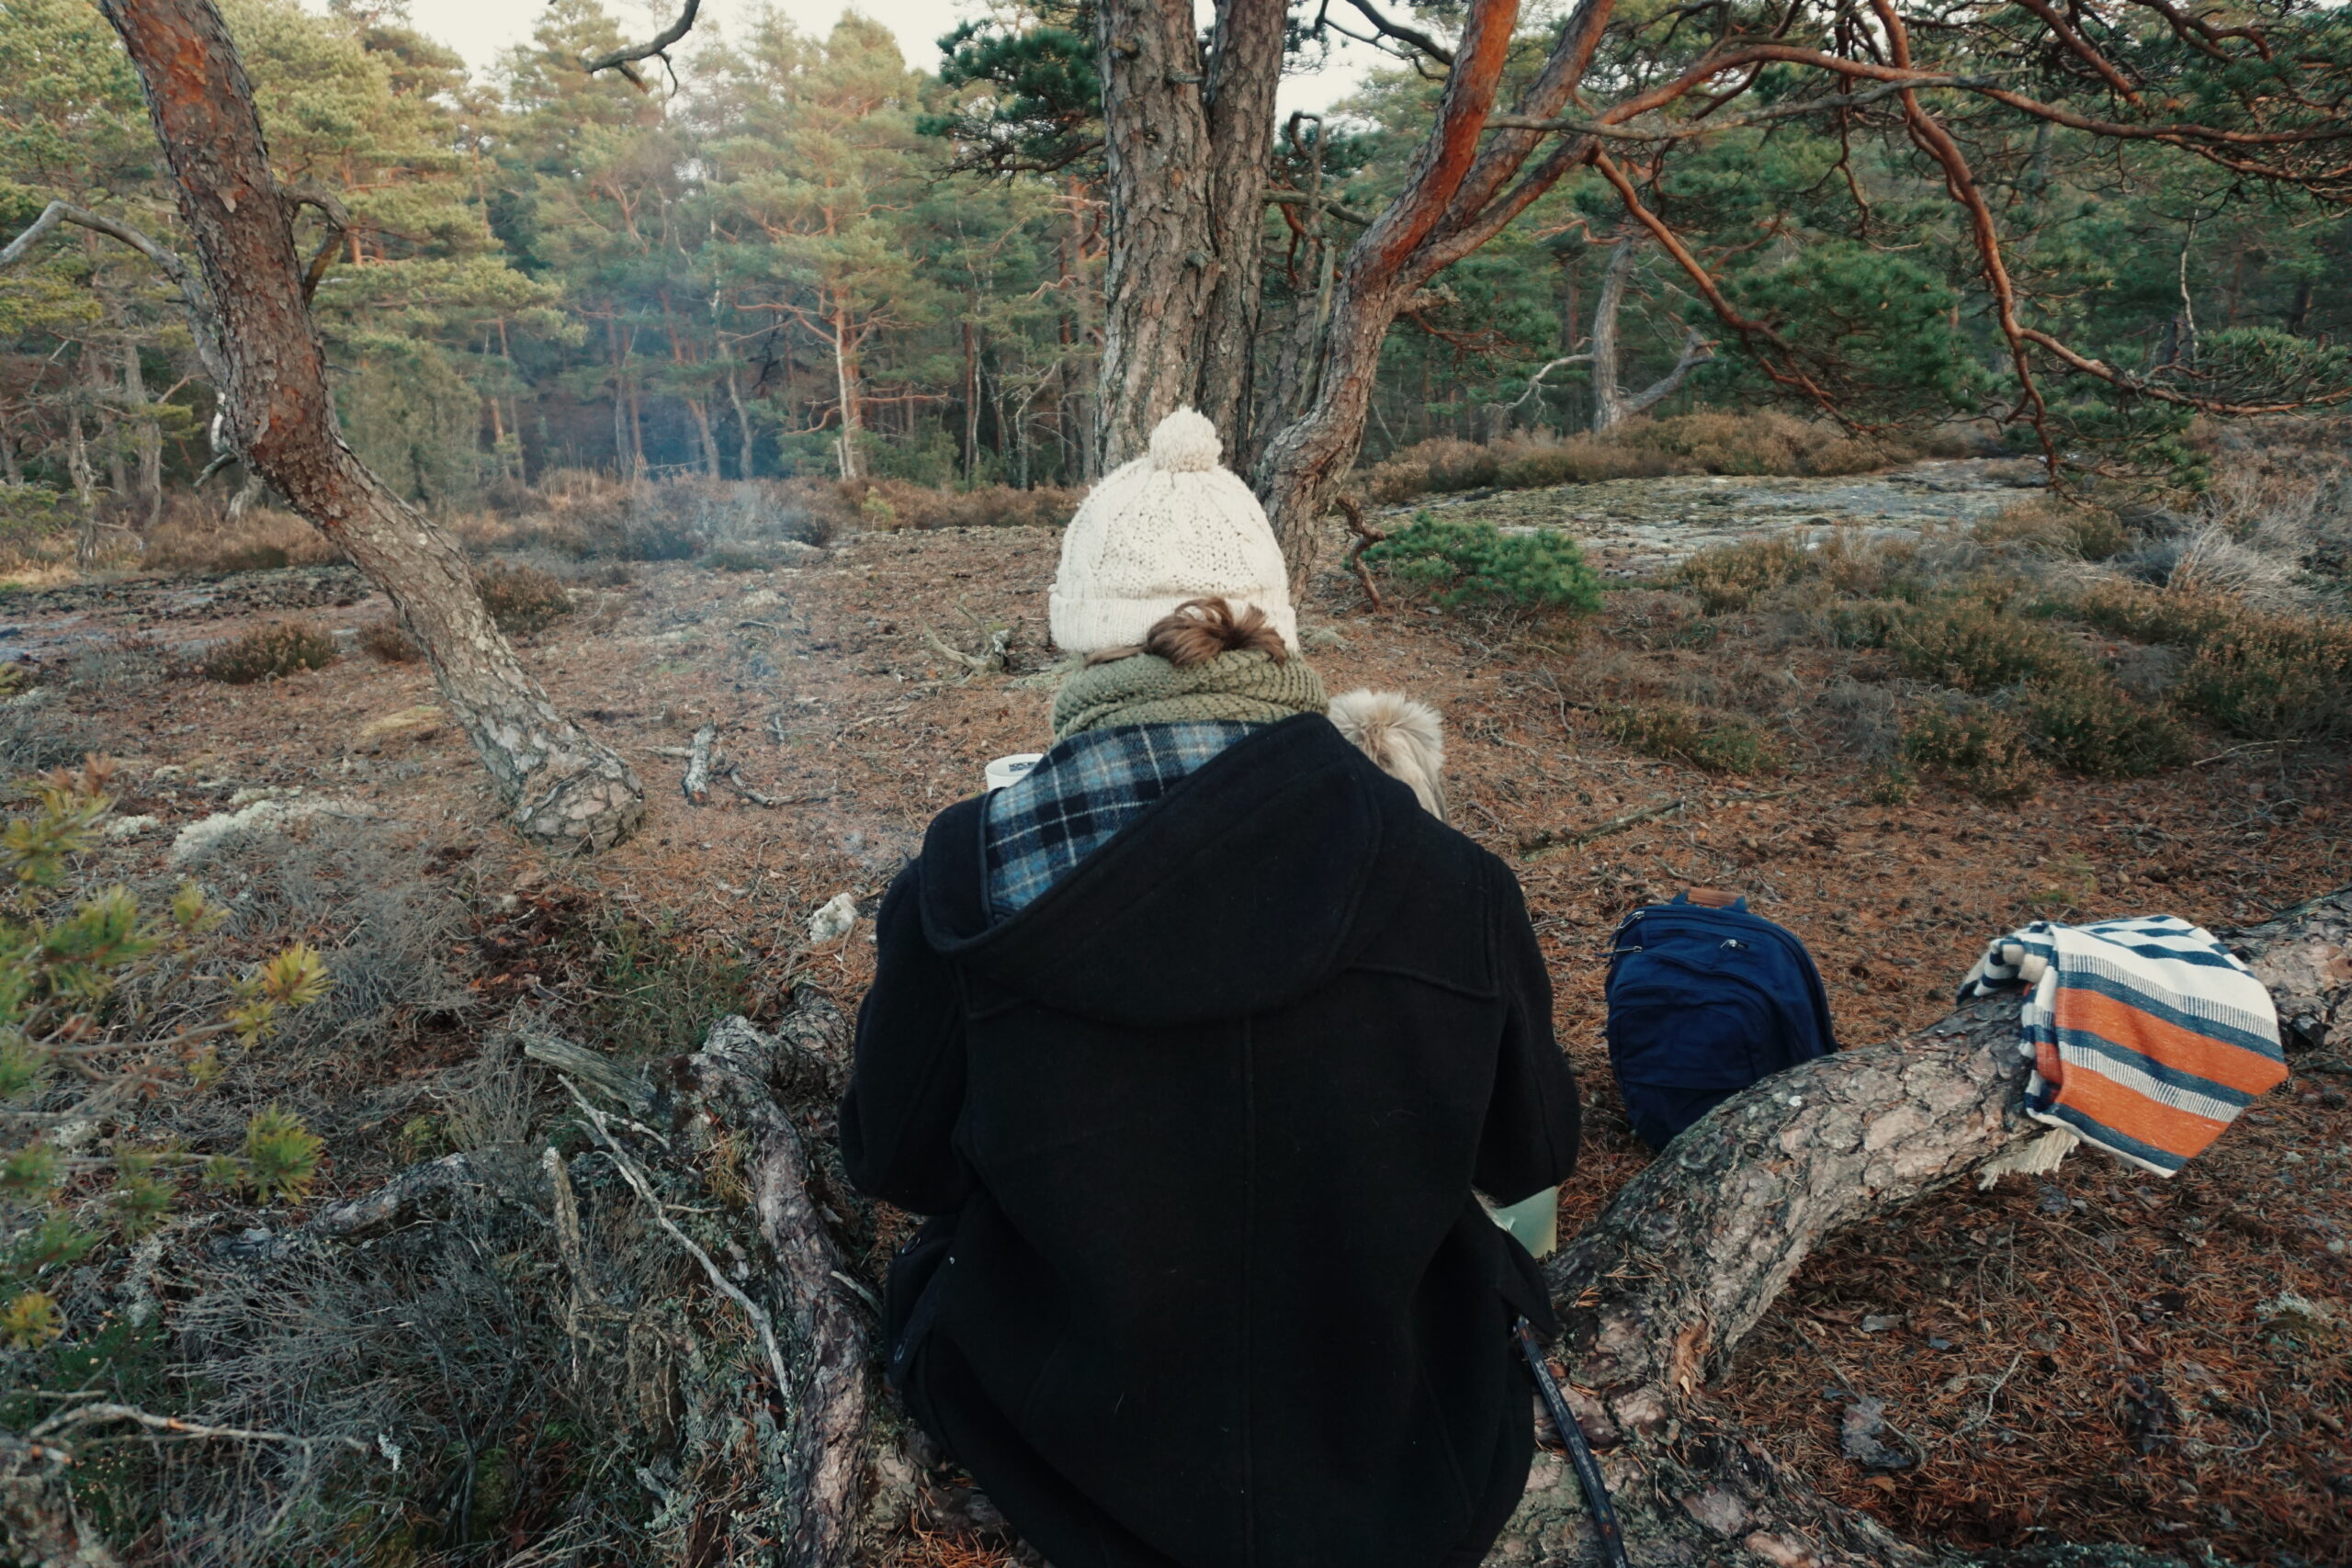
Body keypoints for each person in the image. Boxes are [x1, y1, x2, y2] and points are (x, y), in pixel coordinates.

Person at [839, 408, 1581, 1568]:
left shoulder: (965, 874)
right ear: (1273, 634)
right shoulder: (1454, 881)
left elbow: (895, 1164)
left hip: (1059, 1437)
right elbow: (1528, 1150)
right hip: (1405, 1446)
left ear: (1084, 644)